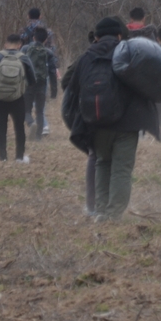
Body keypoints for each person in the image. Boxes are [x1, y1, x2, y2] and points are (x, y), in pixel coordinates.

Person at [64, 16, 159, 221]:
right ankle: (114, 213)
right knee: (121, 169)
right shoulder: (129, 53)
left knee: (102, 163)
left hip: (96, 122)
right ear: (119, 35)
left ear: (96, 38)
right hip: (127, 123)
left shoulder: (85, 58)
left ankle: (100, 211)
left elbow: (69, 86)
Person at [0, 34, 38, 163]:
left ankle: (2, 158)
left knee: (1, 129)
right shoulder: (24, 58)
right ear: (19, 45)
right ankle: (19, 157)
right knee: (19, 128)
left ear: (5, 44)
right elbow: (33, 80)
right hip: (18, 98)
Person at [61, 30, 99, 215]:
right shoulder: (119, 53)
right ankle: (108, 205)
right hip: (112, 115)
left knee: (94, 155)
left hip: (88, 113)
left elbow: (65, 82)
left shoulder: (83, 58)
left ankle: (92, 206)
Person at [21, 26, 58, 140]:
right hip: (42, 83)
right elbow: (52, 72)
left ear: (33, 37)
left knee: (26, 110)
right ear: (45, 40)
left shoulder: (25, 49)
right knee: (40, 111)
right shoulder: (48, 52)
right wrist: (54, 90)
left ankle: (31, 124)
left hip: (28, 83)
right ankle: (38, 138)